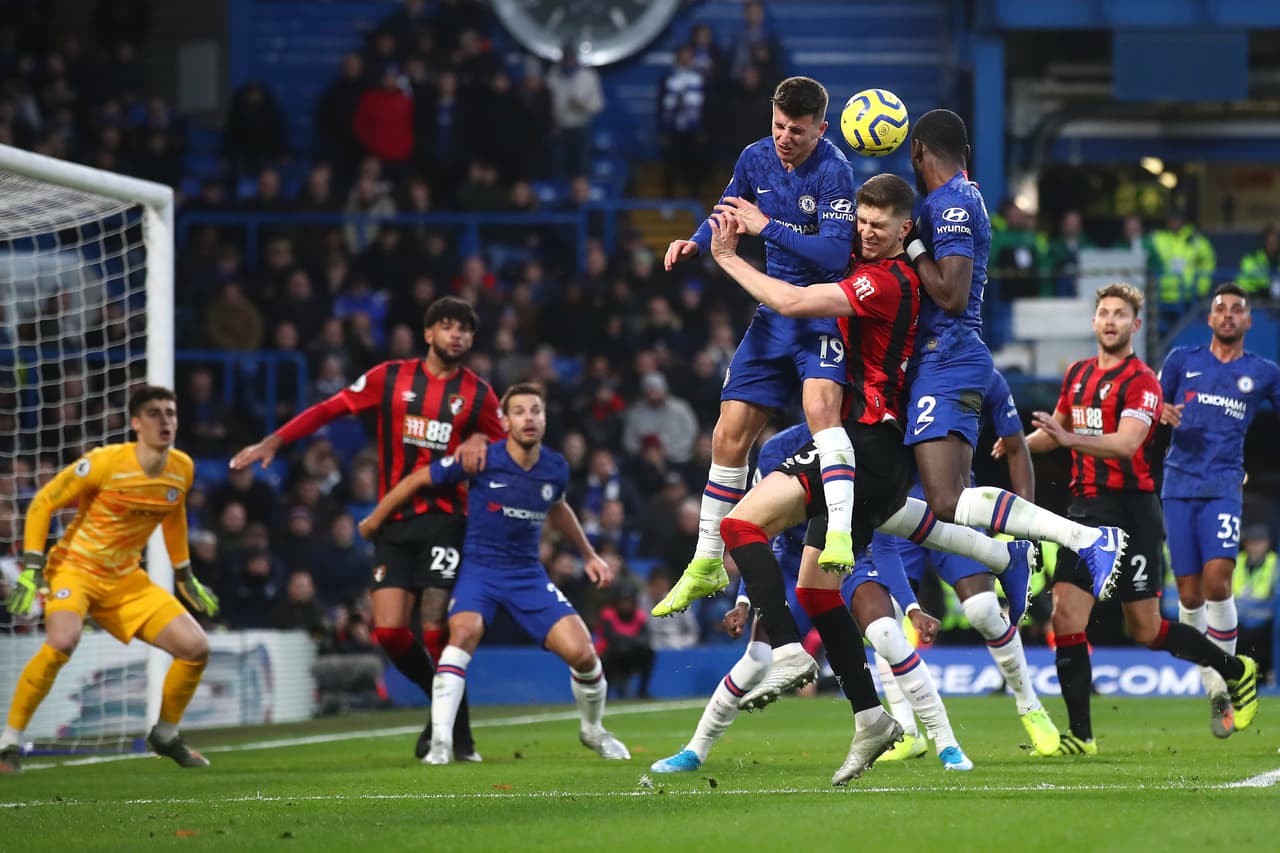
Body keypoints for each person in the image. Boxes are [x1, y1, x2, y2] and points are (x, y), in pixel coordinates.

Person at [699, 174, 975, 783]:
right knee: (822, 590)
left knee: (742, 523)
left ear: (907, 230)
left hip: (865, 446)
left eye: (880, 225)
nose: (866, 232)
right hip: (875, 455)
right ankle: (872, 717)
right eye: (862, 221)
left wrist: (726, 257)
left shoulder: (885, 281)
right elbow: (826, 247)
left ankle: (790, 649)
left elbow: (794, 303)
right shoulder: (890, 270)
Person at [230, 297, 505, 762]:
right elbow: (329, 408)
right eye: (446, 325)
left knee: (435, 629)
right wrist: (276, 438)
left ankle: (453, 730)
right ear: (428, 333)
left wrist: (482, 439)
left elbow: (504, 447)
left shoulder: (479, 394)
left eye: (464, 329)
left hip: (446, 519)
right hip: (393, 522)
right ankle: (447, 715)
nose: (455, 334)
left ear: (472, 339)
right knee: (391, 634)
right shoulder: (390, 377)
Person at [655, 76, 861, 618]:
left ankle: (838, 535)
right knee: (728, 435)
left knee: (821, 409)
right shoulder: (755, 157)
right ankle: (705, 563)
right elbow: (727, 209)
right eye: (778, 126)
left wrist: (767, 227)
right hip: (773, 315)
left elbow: (835, 257)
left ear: (821, 125)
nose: (784, 137)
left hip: (820, 310)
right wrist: (696, 242)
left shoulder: (836, 171)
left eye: (796, 129)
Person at [649, 424, 968, 775]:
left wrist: (910, 606)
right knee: (755, 660)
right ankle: (695, 750)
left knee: (888, 636)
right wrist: (744, 599)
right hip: (790, 563)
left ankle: (947, 743)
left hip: (849, 558)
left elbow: (886, 537)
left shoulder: (871, 441)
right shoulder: (778, 449)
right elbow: (759, 530)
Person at [1025, 282, 1259, 755]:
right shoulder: (1076, 374)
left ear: (1135, 325)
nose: (1110, 321)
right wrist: (1014, 446)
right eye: (1104, 313)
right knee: (1065, 615)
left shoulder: (1143, 383)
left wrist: (1066, 440)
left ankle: (1237, 671)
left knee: (1147, 631)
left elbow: (1127, 443)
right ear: (1093, 322)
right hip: (1083, 512)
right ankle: (1083, 736)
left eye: (1120, 315)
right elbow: (1056, 430)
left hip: (1130, 510)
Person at [902, 109, 1125, 607]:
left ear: (917, 151)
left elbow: (951, 295)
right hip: (939, 361)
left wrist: (912, 244)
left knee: (944, 499)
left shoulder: (953, 202)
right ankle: (1011, 557)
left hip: (948, 356)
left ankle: (1085, 539)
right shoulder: (957, 197)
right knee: (917, 502)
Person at [358, 384, 630, 764]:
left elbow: (558, 506)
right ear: (504, 421)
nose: (529, 418)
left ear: (545, 418)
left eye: (535, 410)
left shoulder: (555, 467)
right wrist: (375, 519)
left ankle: (593, 730)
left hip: (527, 576)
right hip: (479, 571)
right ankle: (440, 743)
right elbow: (420, 479)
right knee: (464, 633)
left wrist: (588, 555)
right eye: (519, 411)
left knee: (583, 654)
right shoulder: (481, 458)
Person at [1, 387, 220, 773]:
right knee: (62, 641)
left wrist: (184, 573)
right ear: (135, 423)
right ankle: (8, 743)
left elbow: (173, 515)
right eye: (154, 413)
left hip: (124, 580)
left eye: (170, 412)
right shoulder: (104, 462)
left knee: (195, 647)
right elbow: (43, 502)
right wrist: (33, 566)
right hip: (76, 570)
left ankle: (166, 735)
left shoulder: (182, 467)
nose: (164, 420)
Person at [881, 368, 1060, 758]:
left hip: (954, 503)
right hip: (894, 506)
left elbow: (1016, 447)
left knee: (982, 609)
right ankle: (905, 732)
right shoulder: (889, 364)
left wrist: (1024, 526)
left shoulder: (979, 372)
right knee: (885, 620)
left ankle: (1030, 705)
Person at [1157, 282, 1280, 736]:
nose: (1228, 315)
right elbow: (1151, 408)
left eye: (1237, 310)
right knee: (1188, 595)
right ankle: (1217, 687)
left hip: (1224, 486)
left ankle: (1232, 674)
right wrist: (1160, 414)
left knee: (1217, 582)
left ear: (1248, 321)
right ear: (1210, 319)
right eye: (1220, 309)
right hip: (1177, 485)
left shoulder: (1264, 372)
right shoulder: (1181, 361)